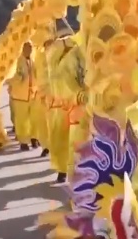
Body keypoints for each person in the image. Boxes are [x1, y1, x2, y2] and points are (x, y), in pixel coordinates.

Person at [46, 30, 78, 184]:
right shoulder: (53, 63)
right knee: (59, 139)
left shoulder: (76, 60)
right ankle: (62, 170)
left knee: (74, 142)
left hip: (75, 106)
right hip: (59, 107)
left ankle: (72, 171)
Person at [56, 37, 90, 180]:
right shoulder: (71, 59)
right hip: (80, 116)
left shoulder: (109, 52)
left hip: (105, 119)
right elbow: (64, 90)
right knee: (78, 154)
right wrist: (82, 96)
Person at [8, 42, 36, 151]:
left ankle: (33, 138)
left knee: (33, 119)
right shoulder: (17, 61)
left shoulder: (32, 61)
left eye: (30, 47)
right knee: (21, 120)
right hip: (20, 96)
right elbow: (10, 78)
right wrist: (19, 78)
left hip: (31, 95)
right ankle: (23, 142)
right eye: (27, 47)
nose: (29, 50)